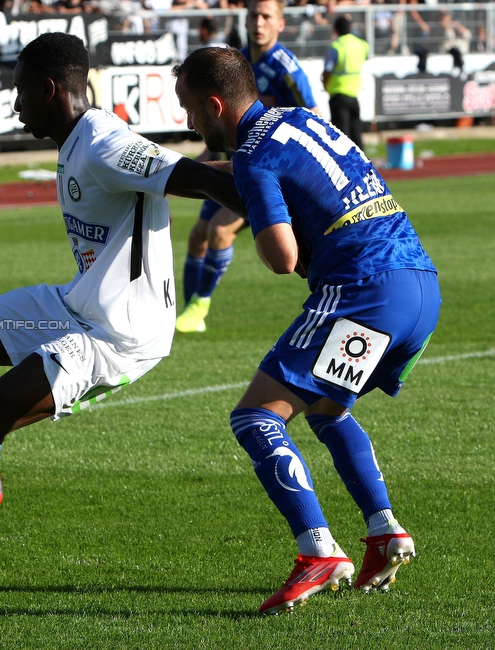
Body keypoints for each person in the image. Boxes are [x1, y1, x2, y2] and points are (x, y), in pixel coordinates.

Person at [0, 32, 246, 599]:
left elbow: (197, 177)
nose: (14, 105)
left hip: (118, 335)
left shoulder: (103, 141)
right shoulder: (77, 139)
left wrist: (290, 203)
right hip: (72, 305)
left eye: (20, 92)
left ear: (50, 90)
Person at [172, 46, 439, 615]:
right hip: (417, 288)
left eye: (191, 111)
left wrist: (263, 209)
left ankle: (317, 548)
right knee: (326, 408)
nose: (189, 123)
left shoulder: (252, 154)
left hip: (363, 291)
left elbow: (280, 257)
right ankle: (385, 531)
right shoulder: (298, 119)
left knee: (254, 416)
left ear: (215, 105)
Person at [176, 0, 317, 335]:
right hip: (239, 161)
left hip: (266, 171)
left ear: (280, 24)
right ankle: (188, 310)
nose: (258, 23)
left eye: (266, 16)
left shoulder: (286, 68)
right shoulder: (239, 62)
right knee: (197, 236)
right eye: (254, 15)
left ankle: (200, 305)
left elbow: (310, 117)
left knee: (219, 231)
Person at [323, 16, 368, 152]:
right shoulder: (362, 45)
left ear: (335, 29)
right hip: (354, 94)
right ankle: (364, 167)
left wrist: (325, 85)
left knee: (342, 136)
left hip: (338, 94)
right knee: (356, 134)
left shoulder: (337, 46)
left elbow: (328, 70)